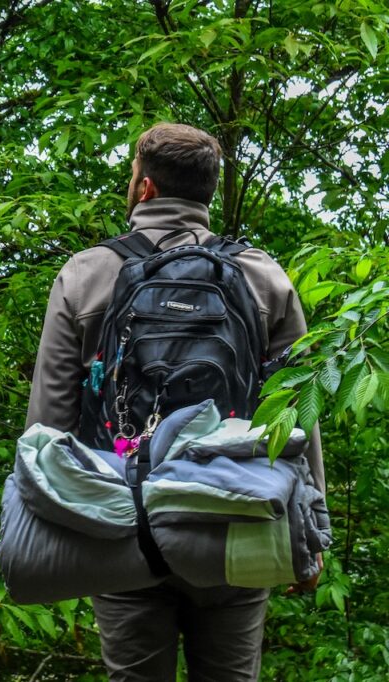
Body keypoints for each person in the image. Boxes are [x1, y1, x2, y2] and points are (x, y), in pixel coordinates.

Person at [25, 122, 325, 681]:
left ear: (144, 188)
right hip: (238, 520)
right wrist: (311, 530)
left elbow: (49, 422)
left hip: (120, 521)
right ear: (207, 193)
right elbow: (297, 415)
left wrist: (42, 535)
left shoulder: (87, 275)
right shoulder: (264, 278)